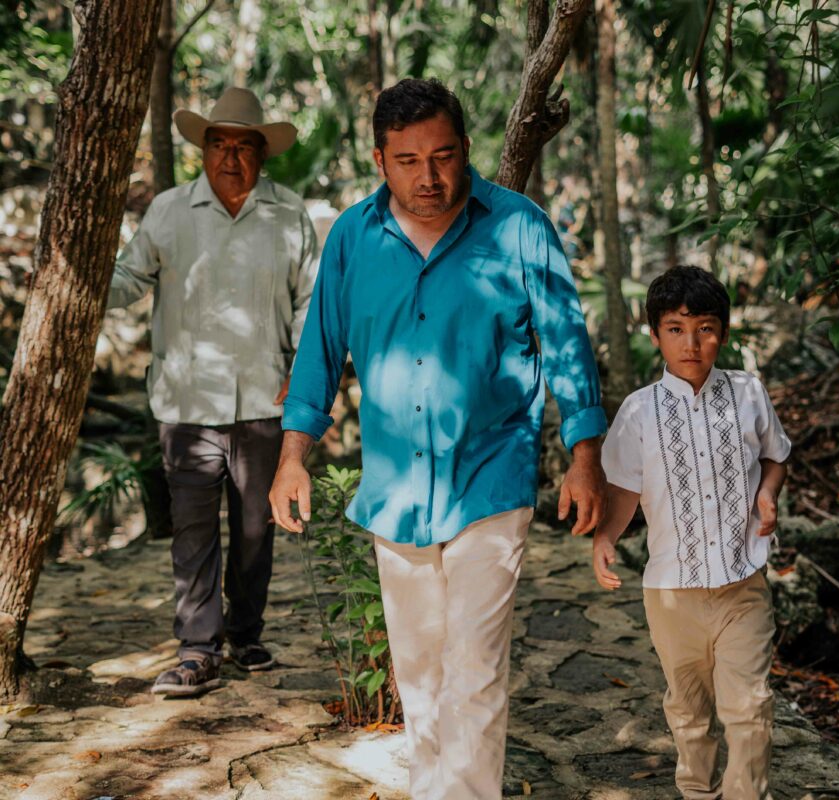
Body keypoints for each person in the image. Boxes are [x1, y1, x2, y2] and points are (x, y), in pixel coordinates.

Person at [269, 78, 607, 799]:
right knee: (419, 680)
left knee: (476, 672)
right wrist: (291, 456)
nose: (431, 176)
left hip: (491, 477)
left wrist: (584, 457)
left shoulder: (518, 227)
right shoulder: (354, 239)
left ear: (467, 149)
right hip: (394, 490)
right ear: (379, 160)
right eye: (409, 160)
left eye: (445, 155)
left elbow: (567, 344)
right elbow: (319, 353)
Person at [108, 87, 319, 697]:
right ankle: (199, 647)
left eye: (244, 146)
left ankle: (246, 631)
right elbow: (127, 278)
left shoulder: (289, 214)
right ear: (203, 150)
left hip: (263, 402)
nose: (231, 157)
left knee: (257, 529)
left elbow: (311, 300)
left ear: (262, 155)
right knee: (193, 530)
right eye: (220, 144)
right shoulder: (170, 212)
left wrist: (301, 367)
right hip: (185, 402)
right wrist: (81, 274)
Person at [593, 265, 791, 800]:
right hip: (671, 591)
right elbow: (625, 492)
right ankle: (698, 793)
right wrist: (606, 537)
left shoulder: (749, 394)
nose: (692, 343)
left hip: (741, 584)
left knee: (749, 707)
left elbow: (776, 457)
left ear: (723, 333)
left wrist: (767, 493)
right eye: (676, 329)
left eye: (705, 328)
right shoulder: (637, 412)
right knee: (688, 711)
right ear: (655, 334)